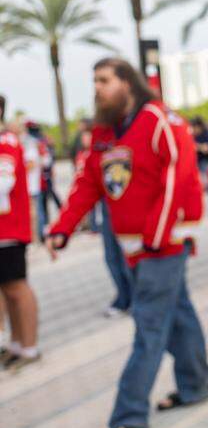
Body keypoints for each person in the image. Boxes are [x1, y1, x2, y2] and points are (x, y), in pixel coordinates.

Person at [47, 58, 208, 428]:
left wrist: (157, 236)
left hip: (163, 244)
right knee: (178, 315)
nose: (97, 88)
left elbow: (179, 175)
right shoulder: (105, 132)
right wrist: (62, 229)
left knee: (149, 326)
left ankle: (129, 414)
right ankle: (196, 384)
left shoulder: (160, 119)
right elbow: (89, 182)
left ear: (127, 82)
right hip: (136, 249)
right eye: (94, 80)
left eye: (104, 80)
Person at [0, 94, 41, 371]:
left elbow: (3, 184)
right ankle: (15, 343)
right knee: (7, 288)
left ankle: (29, 346)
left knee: (17, 287)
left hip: (8, 230)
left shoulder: (6, 143)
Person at [76, 128, 133, 317]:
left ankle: (134, 297)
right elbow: (87, 185)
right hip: (107, 207)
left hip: (127, 206)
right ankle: (123, 297)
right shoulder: (96, 145)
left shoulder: (128, 131)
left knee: (126, 256)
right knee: (111, 256)